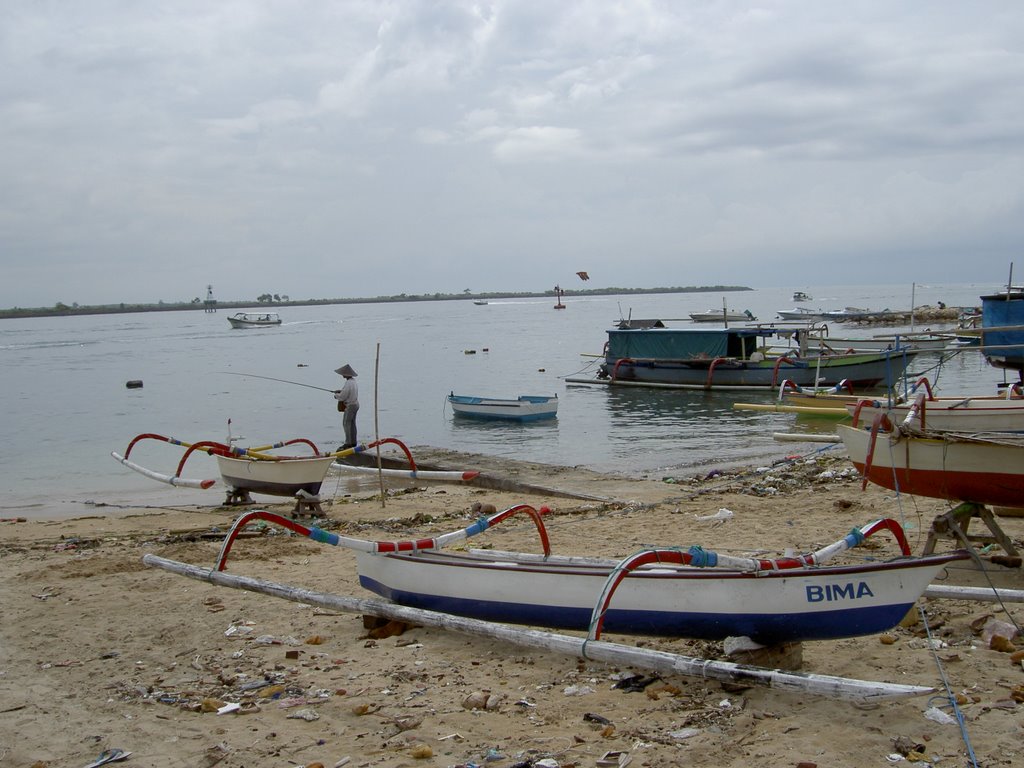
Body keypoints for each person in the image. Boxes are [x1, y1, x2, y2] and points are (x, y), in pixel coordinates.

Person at [333, 364, 359, 450]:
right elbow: (347, 392)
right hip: (355, 404)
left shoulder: (348, 383)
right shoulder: (353, 381)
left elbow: (343, 396)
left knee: (346, 423)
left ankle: (348, 443)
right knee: (352, 424)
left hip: (350, 406)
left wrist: (336, 395)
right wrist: (340, 391)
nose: (342, 375)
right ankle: (353, 442)